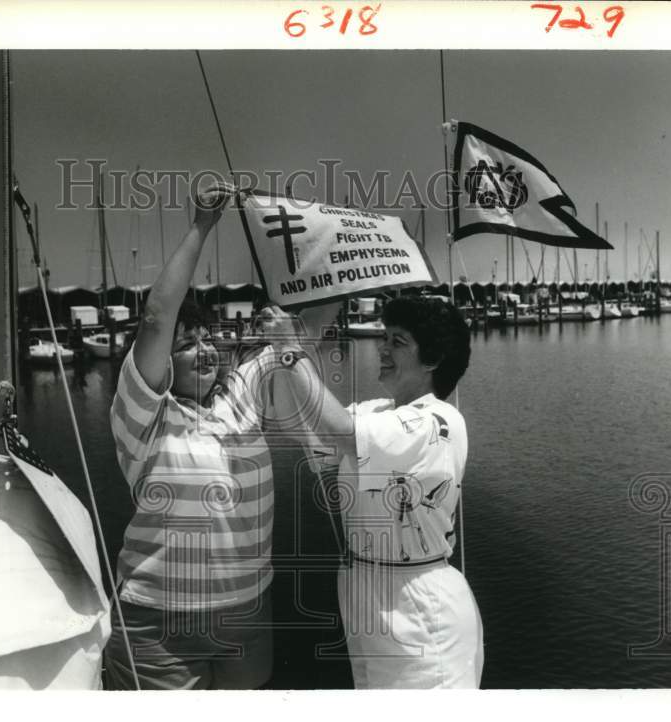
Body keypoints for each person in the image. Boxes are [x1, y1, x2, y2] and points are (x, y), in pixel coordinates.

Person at [105, 185, 277, 689]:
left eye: (210, 339)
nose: (204, 351)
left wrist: (336, 253)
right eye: (187, 345)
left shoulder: (238, 399)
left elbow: (307, 326)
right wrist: (203, 225)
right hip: (157, 622)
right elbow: (158, 317)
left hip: (245, 613)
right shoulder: (144, 415)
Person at [264, 295, 483, 689]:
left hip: (418, 608)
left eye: (398, 342)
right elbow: (294, 418)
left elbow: (338, 430)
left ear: (432, 360)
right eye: (385, 337)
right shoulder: (380, 412)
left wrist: (292, 351)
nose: (382, 349)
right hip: (367, 598)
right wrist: (282, 355)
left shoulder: (437, 421)